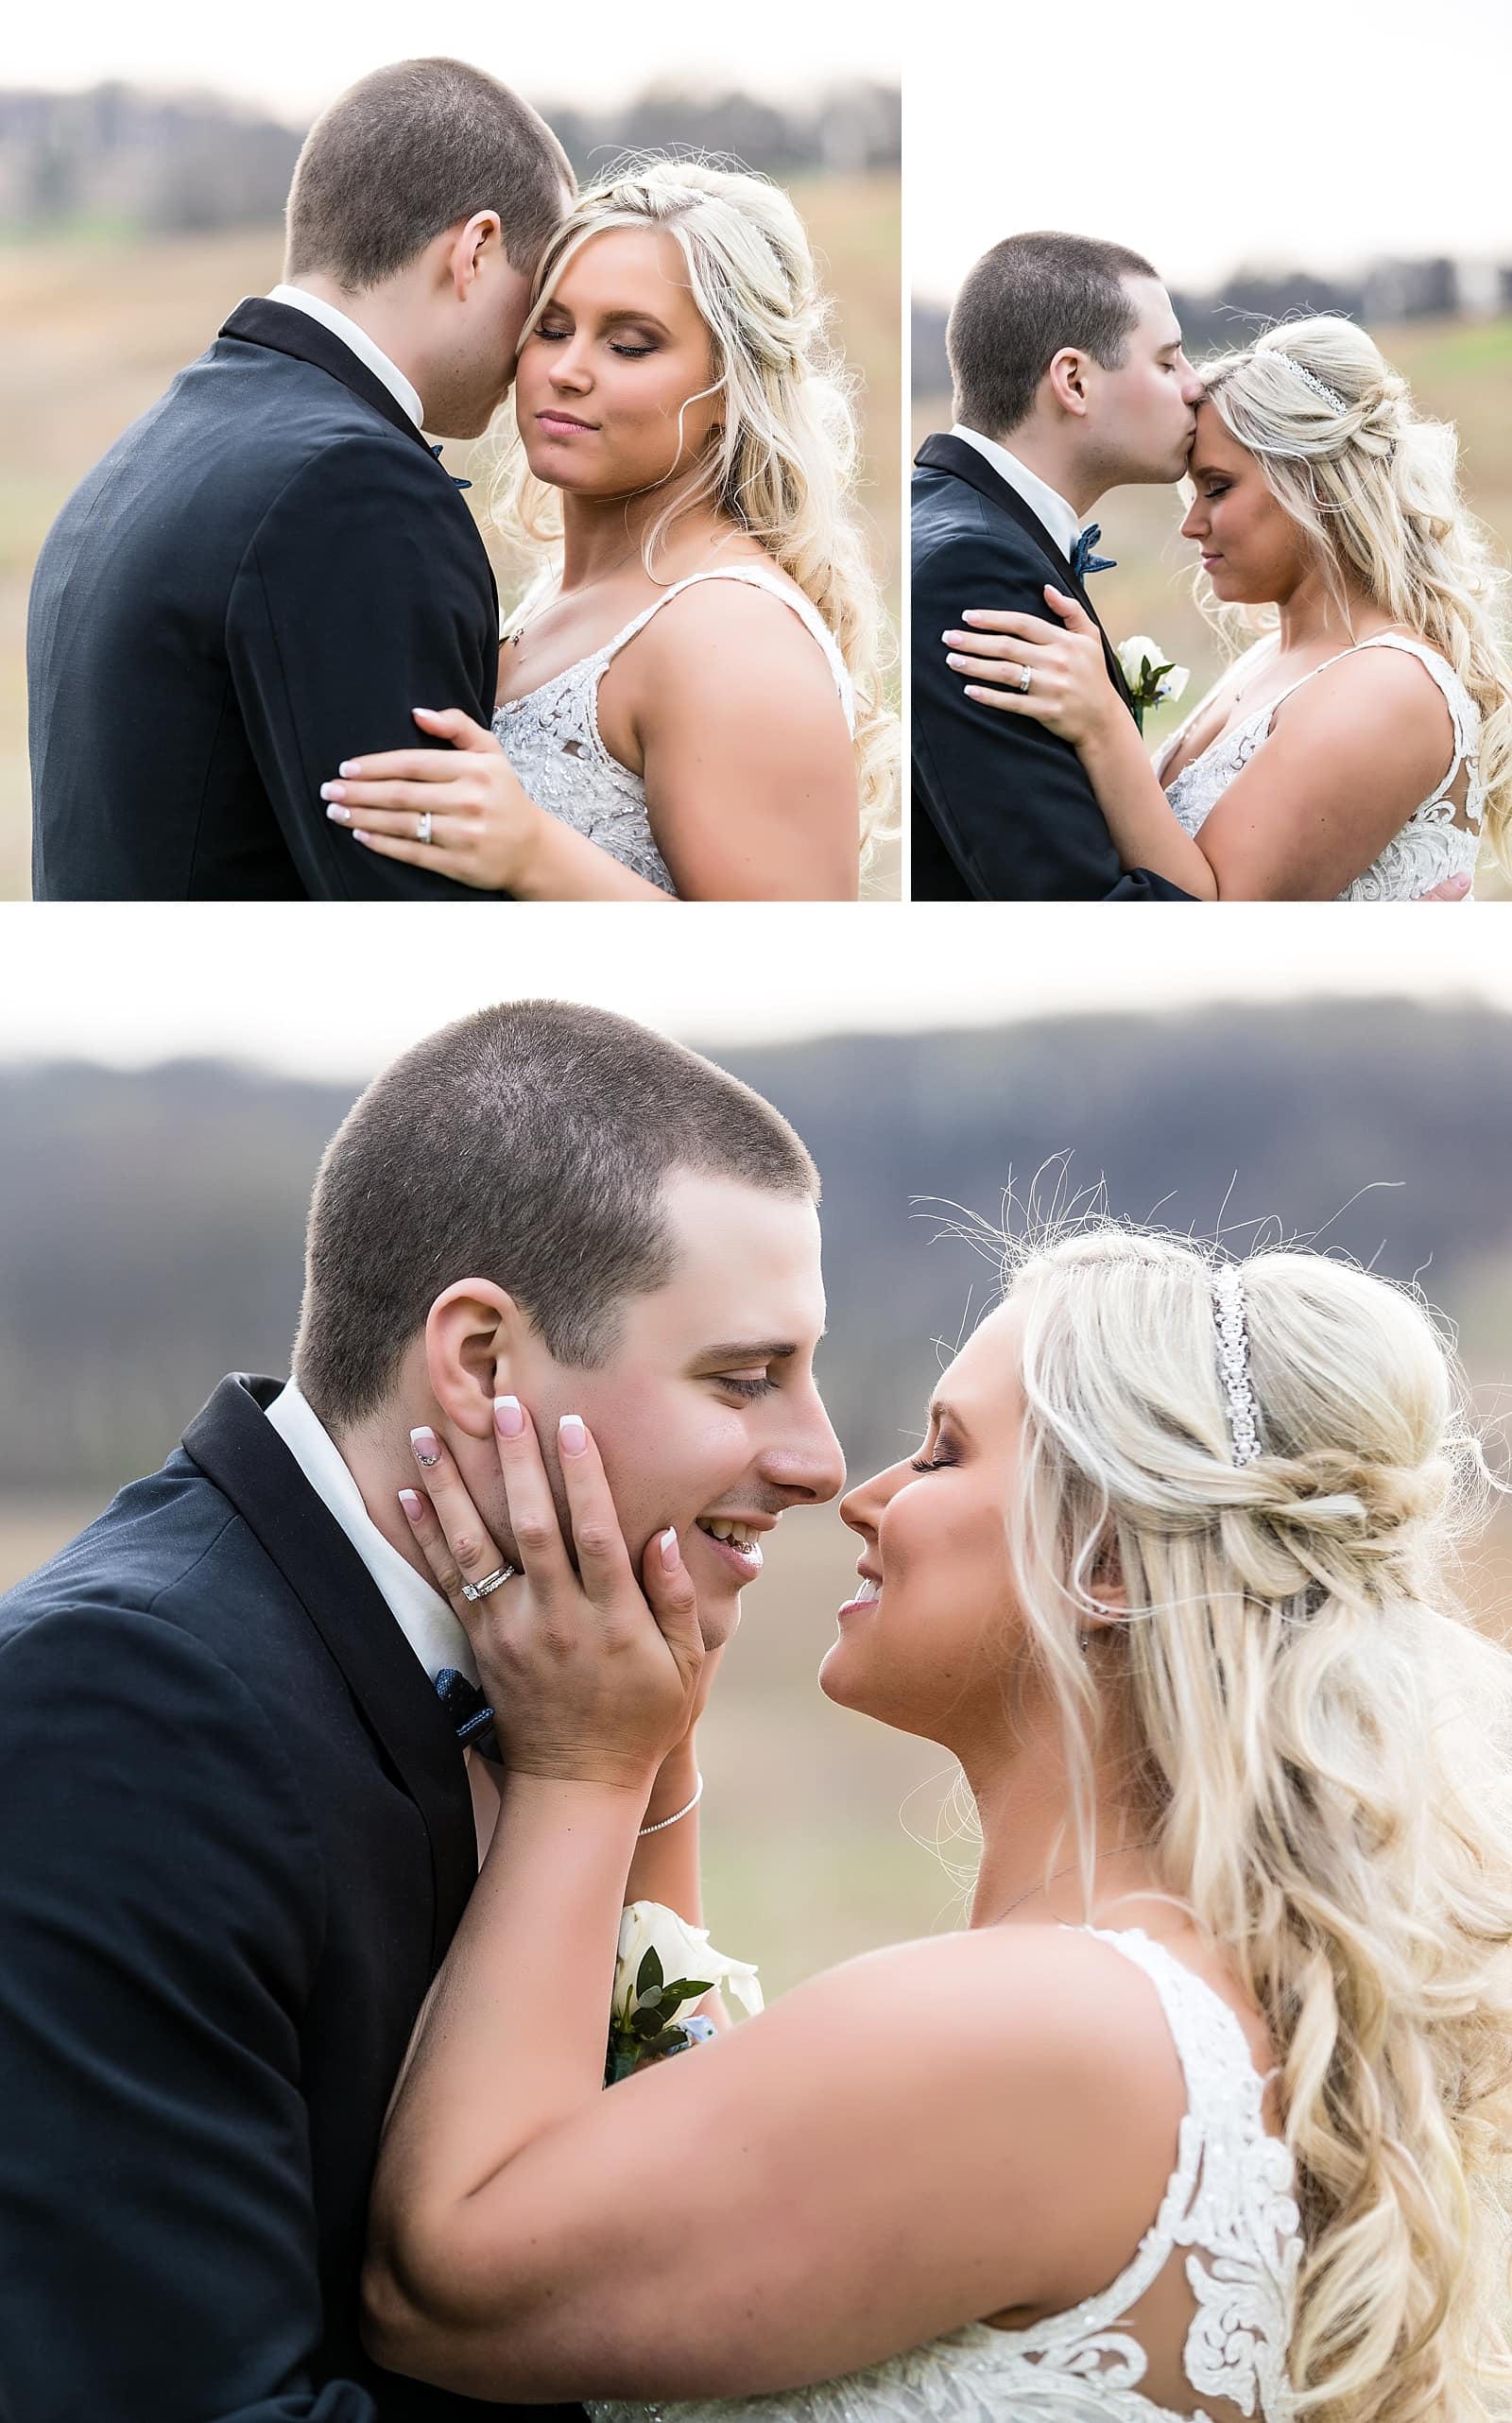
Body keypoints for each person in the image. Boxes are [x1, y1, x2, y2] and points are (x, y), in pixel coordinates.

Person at [363, 1227, 1512, 2423]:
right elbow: (691, 2132)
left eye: (941, 1453)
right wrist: (651, 1753)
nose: (862, 1495)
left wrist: (579, 1770)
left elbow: (446, 2283)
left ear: (1104, 1556)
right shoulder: (1194, 2006)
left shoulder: (1041, 2031)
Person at [0, 1001, 845, 2421]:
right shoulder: (126, 1706)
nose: (820, 1458)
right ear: (481, 1364)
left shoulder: (559, 1687)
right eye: (743, 1379)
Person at [28, 59, 574, 901]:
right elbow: (414, 912)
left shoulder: (144, 456)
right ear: (476, 251)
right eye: (539, 305)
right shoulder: (354, 493)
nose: (536, 351)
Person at [318, 161, 895, 900]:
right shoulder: (558, 593)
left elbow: (795, 971)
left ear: (731, 388)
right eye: (551, 329)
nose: (567, 369)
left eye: (630, 345)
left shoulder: (732, 633)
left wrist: (534, 854)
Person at [944, 316, 1512, 900]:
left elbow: (1219, 921)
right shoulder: (1275, 658)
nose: (1191, 525)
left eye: (1216, 488)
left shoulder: (1388, 685)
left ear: (1314, 485)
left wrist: (1103, 723)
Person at [911, 231, 1205, 900]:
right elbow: (1071, 898)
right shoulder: (973, 569)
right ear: (1073, 381)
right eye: (1168, 363)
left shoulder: (959, 522)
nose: (1195, 386)